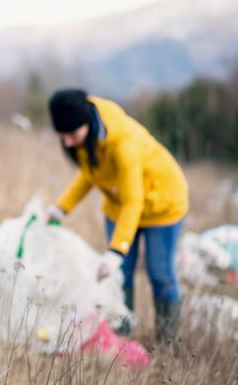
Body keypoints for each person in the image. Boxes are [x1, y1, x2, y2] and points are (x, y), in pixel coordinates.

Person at [45, 89, 188, 346]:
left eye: (72, 135)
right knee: (119, 274)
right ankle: (121, 335)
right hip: (118, 204)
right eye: (62, 136)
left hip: (162, 205)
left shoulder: (123, 143)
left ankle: (169, 345)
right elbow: (91, 174)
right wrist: (61, 208)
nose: (67, 143)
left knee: (160, 272)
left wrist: (116, 250)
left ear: (86, 124)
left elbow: (133, 201)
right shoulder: (86, 137)